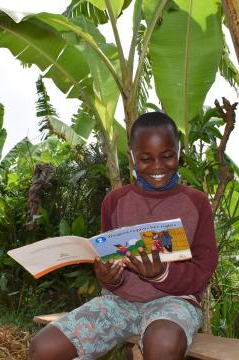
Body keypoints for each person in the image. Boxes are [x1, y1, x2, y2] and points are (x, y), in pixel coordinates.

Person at [28, 112, 218, 360]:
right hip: (118, 303)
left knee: (163, 342)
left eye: (167, 156)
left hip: (175, 303)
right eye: (146, 159)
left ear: (179, 151)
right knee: (42, 348)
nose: (158, 166)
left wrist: (162, 274)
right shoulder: (115, 201)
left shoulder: (196, 202)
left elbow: (204, 268)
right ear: (132, 156)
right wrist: (109, 277)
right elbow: (109, 258)